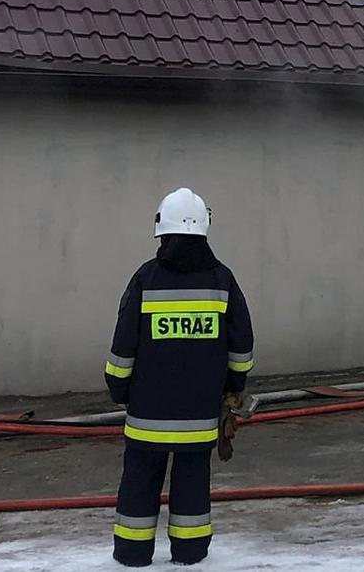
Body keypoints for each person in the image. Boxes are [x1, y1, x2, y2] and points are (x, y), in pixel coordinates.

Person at [105, 188, 255, 567]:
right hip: (199, 418)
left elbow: (123, 346)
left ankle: (133, 554)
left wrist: (119, 389)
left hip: (146, 418)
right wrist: (234, 388)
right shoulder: (222, 281)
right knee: (192, 484)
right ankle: (190, 553)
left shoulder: (146, 279)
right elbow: (241, 346)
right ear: (204, 228)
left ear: (162, 230)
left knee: (139, 483)